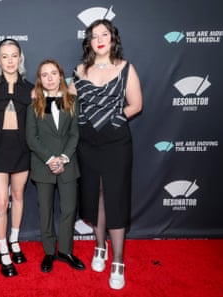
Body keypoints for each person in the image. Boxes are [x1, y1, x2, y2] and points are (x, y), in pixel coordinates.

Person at [68, 19, 143, 290]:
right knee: (94, 196)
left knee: (115, 197)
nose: (99, 39)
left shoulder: (126, 68)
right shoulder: (79, 70)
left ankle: (118, 261)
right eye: (94, 35)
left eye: (105, 34)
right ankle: (100, 247)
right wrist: (41, 92)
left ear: (113, 39)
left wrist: (115, 119)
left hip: (116, 143)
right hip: (87, 144)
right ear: (88, 41)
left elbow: (136, 104)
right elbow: (65, 100)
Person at [26, 59, 86, 273]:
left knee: (69, 209)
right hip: (43, 166)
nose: (50, 78)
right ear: (39, 80)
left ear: (61, 76)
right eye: (45, 74)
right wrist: (51, 159)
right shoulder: (34, 105)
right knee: (46, 212)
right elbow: (32, 139)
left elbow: (74, 134)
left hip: (68, 164)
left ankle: (66, 251)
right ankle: (49, 251)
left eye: (54, 73)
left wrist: (63, 157)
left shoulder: (72, 101)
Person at [0, 38, 33, 277]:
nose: (10, 60)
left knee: (18, 195)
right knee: (2, 201)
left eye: (14, 55)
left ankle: (15, 240)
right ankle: (2, 246)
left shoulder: (31, 88)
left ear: (21, 58)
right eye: (4, 56)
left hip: (22, 150)